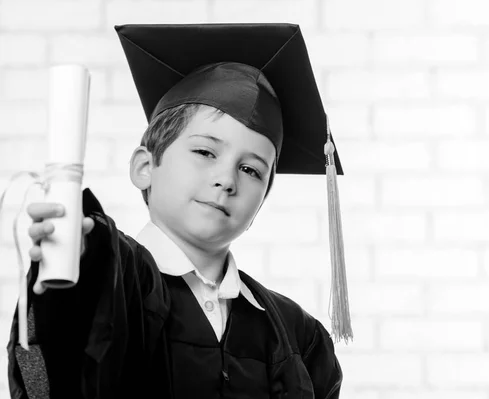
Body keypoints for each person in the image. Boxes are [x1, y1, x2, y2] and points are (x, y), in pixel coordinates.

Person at [6, 23, 345, 399]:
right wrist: (74, 259)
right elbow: (59, 367)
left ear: (261, 201)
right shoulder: (112, 277)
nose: (227, 180)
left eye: (251, 170)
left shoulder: (298, 333)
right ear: (145, 167)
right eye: (205, 152)